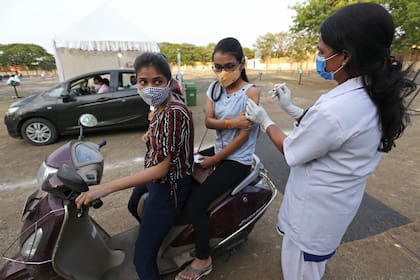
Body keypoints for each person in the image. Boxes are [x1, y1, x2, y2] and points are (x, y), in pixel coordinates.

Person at [244, 3, 410, 279]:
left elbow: (292, 150)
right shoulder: (370, 90)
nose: (319, 58)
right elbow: (335, 134)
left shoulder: (337, 108)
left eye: (322, 52)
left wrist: (265, 120)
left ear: (345, 56)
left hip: (314, 214)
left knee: (300, 273)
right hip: (335, 205)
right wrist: (292, 110)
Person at [76, 52, 194, 280]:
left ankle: (151, 248)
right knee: (133, 205)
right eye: (143, 82)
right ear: (136, 82)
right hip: (154, 179)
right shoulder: (161, 104)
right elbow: (163, 130)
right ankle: (156, 237)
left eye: (157, 82)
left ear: (168, 82)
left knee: (141, 261)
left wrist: (104, 188)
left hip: (169, 186)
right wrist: (151, 132)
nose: (150, 88)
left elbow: (161, 169)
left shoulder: (173, 113)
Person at [175, 37, 259, 280]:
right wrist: (232, 122)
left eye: (229, 66)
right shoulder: (214, 88)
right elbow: (209, 121)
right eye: (218, 67)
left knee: (197, 204)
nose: (223, 72)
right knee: (183, 172)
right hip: (219, 150)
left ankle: (203, 259)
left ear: (242, 64)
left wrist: (215, 160)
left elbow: (244, 136)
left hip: (237, 159)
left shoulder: (250, 93)